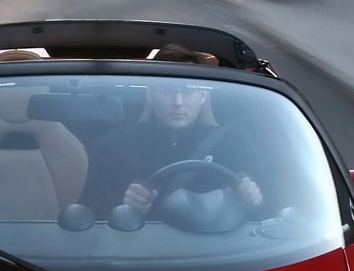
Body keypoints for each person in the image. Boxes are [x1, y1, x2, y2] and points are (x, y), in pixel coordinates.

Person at [78, 47, 266, 232]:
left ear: (202, 97)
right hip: (140, 250)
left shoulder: (236, 142)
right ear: (150, 95)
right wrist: (124, 206)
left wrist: (253, 200)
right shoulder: (114, 145)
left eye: (188, 91)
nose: (178, 102)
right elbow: (91, 218)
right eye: (167, 91)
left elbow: (274, 215)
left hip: (220, 252)